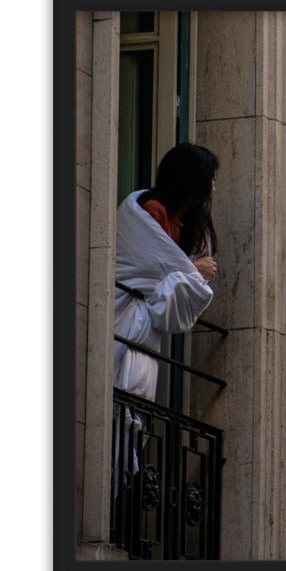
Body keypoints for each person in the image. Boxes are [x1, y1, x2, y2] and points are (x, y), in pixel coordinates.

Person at [113, 143, 220, 402]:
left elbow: (167, 274)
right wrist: (194, 271)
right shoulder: (154, 210)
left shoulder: (184, 223)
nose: (214, 187)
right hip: (127, 315)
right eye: (211, 179)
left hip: (146, 327)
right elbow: (149, 268)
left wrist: (188, 274)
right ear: (193, 179)